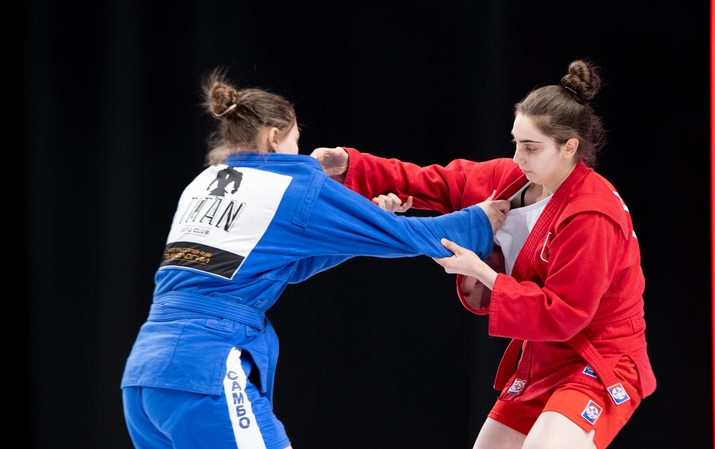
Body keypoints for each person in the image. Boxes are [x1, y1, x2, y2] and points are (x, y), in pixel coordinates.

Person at [120, 69, 510, 449]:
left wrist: (366, 225)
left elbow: (284, 265)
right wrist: (478, 220)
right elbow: (405, 236)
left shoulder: (202, 183)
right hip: (204, 367)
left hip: (145, 371)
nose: (299, 151)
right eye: (296, 139)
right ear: (274, 136)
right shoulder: (290, 182)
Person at [311, 60, 655, 449]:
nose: (519, 157)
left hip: (600, 356)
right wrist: (352, 165)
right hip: (544, 356)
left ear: (569, 147)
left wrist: (483, 272)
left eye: (531, 147)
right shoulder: (509, 180)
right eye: (516, 142)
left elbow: (564, 314)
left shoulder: (592, 215)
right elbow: (434, 181)